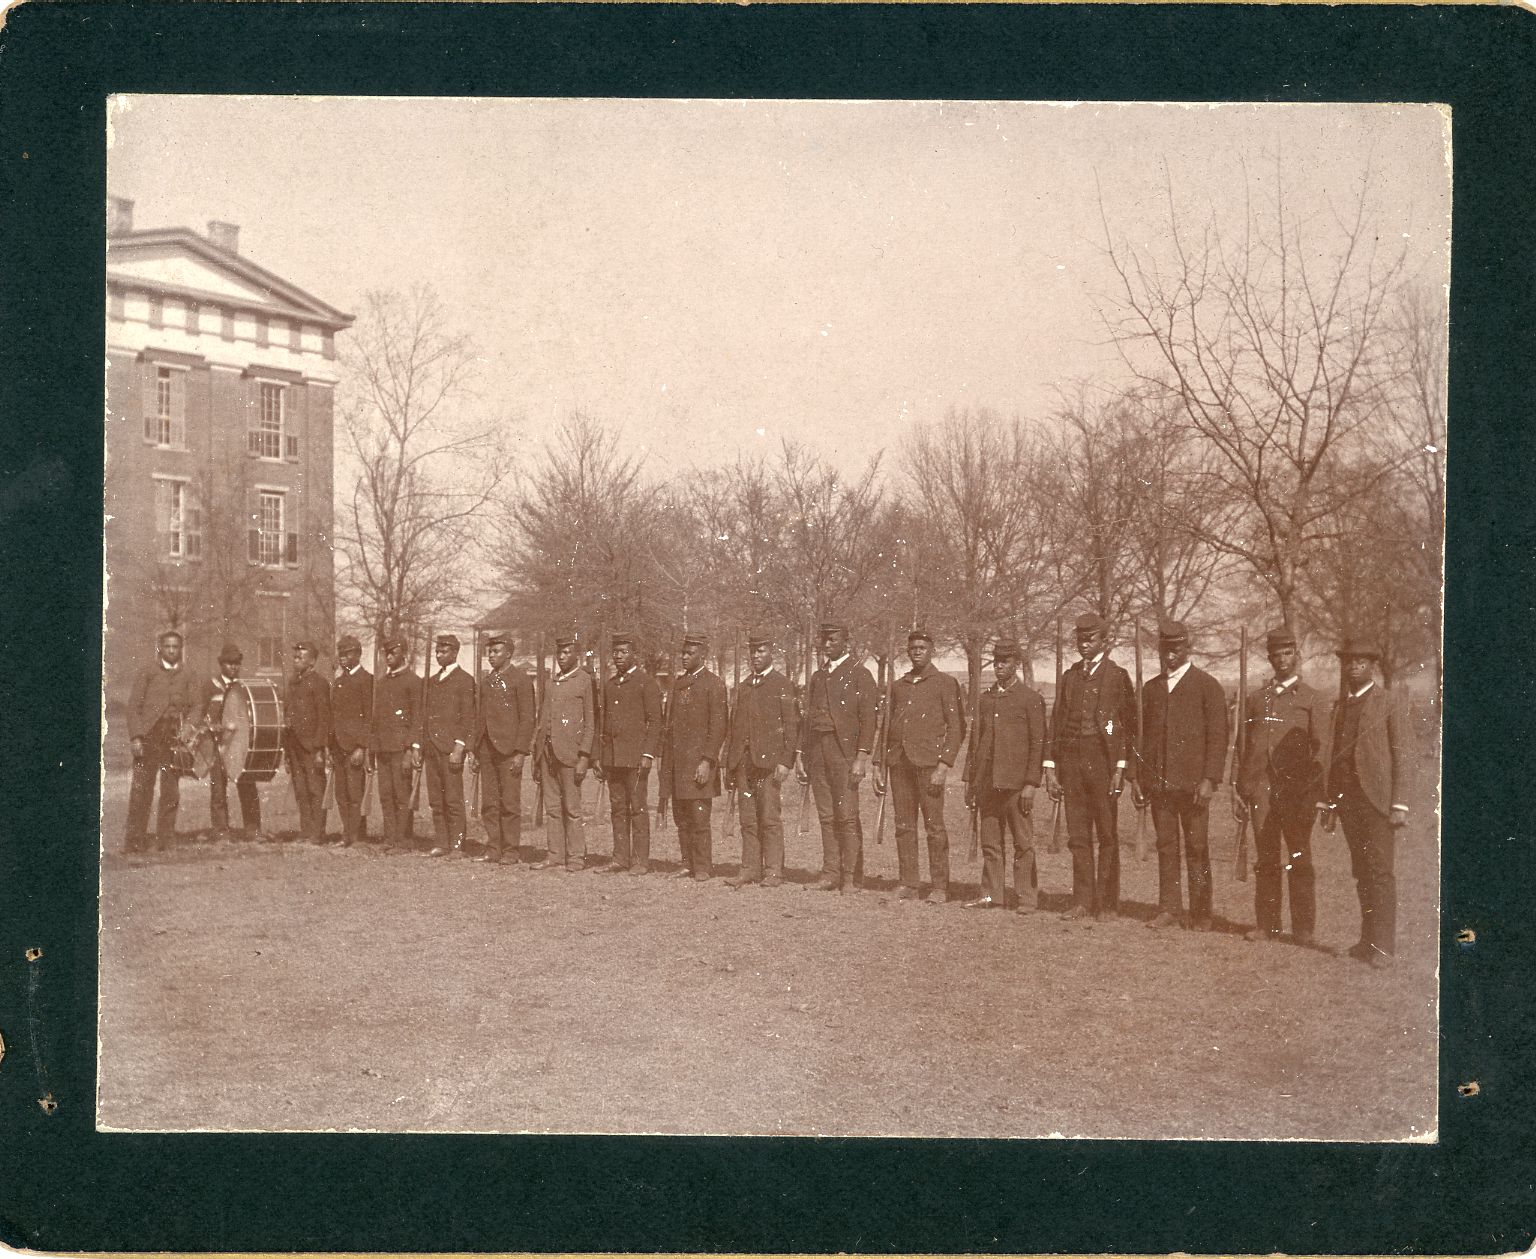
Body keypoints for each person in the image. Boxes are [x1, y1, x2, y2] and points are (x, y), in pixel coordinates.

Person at [1316, 638, 1412, 970]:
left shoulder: (1389, 702)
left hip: (1378, 803)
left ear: (1372, 665)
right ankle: (1366, 941)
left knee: (1380, 872)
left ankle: (1384, 947)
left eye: (1361, 661)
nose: (1354, 665)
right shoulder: (1340, 707)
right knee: (1361, 873)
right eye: (1349, 661)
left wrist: (1399, 803)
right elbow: (1331, 757)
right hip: (1347, 804)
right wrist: (1328, 803)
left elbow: (1404, 755)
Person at [1134, 620, 1229, 930]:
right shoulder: (1152, 688)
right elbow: (1143, 737)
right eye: (1165, 648)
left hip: (1194, 786)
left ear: (1187, 647)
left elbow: (1218, 737)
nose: (1170, 654)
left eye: (1176, 648)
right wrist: (1139, 777)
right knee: (1166, 846)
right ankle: (1169, 908)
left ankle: (1202, 913)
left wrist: (1210, 778)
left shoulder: (1207, 686)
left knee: (1197, 847)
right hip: (1160, 783)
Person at [1043, 612, 1136, 921]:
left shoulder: (1117, 676)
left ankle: (1107, 903)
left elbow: (1127, 725)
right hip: (1071, 762)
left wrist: (1120, 767)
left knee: (1107, 834)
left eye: (1091, 639)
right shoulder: (1070, 677)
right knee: (1078, 835)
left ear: (1104, 642)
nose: (1085, 644)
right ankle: (1082, 900)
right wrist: (1051, 766)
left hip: (1103, 762)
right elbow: (1056, 721)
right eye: (1081, 640)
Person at [1236, 626, 1323, 946]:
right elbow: (1243, 745)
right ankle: (1267, 924)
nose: (1282, 660)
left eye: (1288, 653)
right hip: (1261, 789)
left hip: (1297, 793)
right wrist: (1240, 784)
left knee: (1300, 857)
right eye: (1276, 654)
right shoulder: (1257, 699)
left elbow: (1320, 749)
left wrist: (1314, 793)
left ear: (1296, 656)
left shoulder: (1312, 698)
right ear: (1270, 658)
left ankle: (1303, 929)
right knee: (1266, 858)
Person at [962, 639, 1047, 912]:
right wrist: (970, 780)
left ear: (1016, 664)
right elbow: (975, 744)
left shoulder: (1030, 699)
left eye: (1006, 661)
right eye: (997, 660)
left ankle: (1027, 898)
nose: (999, 665)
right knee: (990, 842)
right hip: (987, 783)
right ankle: (992, 894)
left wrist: (1032, 783)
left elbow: (1038, 744)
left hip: (1016, 784)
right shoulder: (986, 699)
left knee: (1023, 843)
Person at [883, 628, 966, 904]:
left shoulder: (944, 683)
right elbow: (887, 726)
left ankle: (940, 885)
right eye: (913, 648)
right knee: (904, 826)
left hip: (929, 765)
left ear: (932, 651)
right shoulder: (899, 685)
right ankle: (908, 882)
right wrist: (881, 762)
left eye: (922, 648)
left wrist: (944, 765)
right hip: (900, 763)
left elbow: (956, 728)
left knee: (934, 827)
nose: (917, 652)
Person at [796, 620, 878, 894]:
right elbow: (807, 719)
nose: (827, 644)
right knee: (827, 815)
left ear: (846, 642)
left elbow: (869, 719)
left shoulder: (860, 674)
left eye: (833, 640)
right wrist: (802, 755)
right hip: (818, 753)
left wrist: (861, 757)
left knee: (847, 816)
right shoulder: (818, 677)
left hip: (844, 754)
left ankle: (851, 877)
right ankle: (830, 872)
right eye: (824, 640)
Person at [724, 628, 799, 889]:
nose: (756, 655)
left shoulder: (782, 684)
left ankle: (774, 871)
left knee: (769, 818)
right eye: (753, 651)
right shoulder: (744, 686)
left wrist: (786, 761)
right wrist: (730, 763)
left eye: (762, 651)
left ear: (771, 653)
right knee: (747, 820)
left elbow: (791, 726)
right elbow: (735, 727)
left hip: (768, 765)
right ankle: (749, 868)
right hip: (743, 764)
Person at [123, 629, 197, 853]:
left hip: (173, 739)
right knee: (141, 790)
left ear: (181, 650)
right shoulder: (147, 671)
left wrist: (188, 728)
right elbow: (133, 707)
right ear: (160, 648)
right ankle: (135, 840)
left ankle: (166, 839)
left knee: (171, 790)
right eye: (168, 647)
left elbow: (198, 706)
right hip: (149, 738)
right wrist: (136, 736)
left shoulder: (188, 674)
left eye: (176, 647)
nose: (172, 651)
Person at [662, 631, 729, 881]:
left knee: (699, 818)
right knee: (682, 819)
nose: (684, 657)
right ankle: (687, 863)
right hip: (678, 764)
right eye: (683, 653)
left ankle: (702, 866)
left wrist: (707, 761)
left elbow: (719, 727)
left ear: (703, 655)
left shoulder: (714, 684)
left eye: (690, 653)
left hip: (700, 764)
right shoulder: (678, 684)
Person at [599, 629, 663, 875]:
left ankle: (639, 861)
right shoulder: (610, 684)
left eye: (624, 652)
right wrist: (602, 757)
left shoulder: (646, 683)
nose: (619, 656)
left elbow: (655, 721)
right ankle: (620, 858)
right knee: (617, 809)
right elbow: (604, 722)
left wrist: (648, 754)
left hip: (636, 759)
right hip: (613, 759)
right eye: (615, 652)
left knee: (637, 808)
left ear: (634, 654)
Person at [533, 632, 595, 871]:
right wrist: (537, 755)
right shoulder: (550, 683)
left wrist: (584, 756)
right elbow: (542, 721)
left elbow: (590, 722)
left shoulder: (584, 681)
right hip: (548, 755)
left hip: (571, 755)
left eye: (567, 652)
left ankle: (577, 856)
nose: (562, 656)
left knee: (572, 808)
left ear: (577, 654)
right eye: (559, 652)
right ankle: (555, 854)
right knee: (553, 808)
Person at [474, 630, 535, 864]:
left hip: (509, 751)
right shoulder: (487, 681)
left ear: (508, 653)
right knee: (489, 802)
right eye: (489, 652)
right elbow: (480, 716)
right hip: (486, 750)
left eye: (496, 651)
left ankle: (510, 850)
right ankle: (493, 848)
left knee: (509, 802)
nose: (491, 656)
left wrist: (520, 752)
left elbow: (527, 718)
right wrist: (476, 748)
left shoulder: (520, 679)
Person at [423, 632, 475, 858]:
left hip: (451, 748)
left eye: (443, 651)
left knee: (453, 798)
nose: (438, 655)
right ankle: (442, 842)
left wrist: (459, 746)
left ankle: (457, 844)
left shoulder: (465, 680)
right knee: (436, 799)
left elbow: (468, 716)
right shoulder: (431, 681)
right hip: (431, 747)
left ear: (454, 653)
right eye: (437, 651)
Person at [203, 641, 262, 842]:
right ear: (221, 664)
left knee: (246, 784)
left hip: (238, 745)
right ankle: (221, 831)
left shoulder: (242, 687)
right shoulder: (211, 685)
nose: (234, 667)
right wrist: (212, 726)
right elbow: (202, 713)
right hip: (217, 744)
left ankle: (253, 829)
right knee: (218, 788)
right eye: (229, 663)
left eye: (237, 663)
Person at [372, 636, 422, 855]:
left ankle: (404, 839)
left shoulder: (413, 681)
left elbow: (417, 718)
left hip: (401, 748)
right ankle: (390, 837)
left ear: (403, 653)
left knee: (402, 795)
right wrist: (373, 748)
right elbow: (376, 719)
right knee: (386, 794)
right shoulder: (382, 683)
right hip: (383, 748)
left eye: (393, 652)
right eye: (386, 653)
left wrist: (411, 749)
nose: (388, 657)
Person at [284, 639, 332, 844]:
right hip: (294, 745)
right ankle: (305, 830)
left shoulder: (319, 683)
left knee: (315, 789)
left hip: (312, 746)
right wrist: (287, 750)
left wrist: (320, 748)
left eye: (300, 657)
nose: (296, 660)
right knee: (300, 789)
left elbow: (324, 718)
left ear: (312, 661)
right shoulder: (293, 682)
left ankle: (317, 832)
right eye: (295, 657)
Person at [330, 633, 372, 847]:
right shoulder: (339, 682)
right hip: (338, 746)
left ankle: (356, 836)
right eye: (340, 654)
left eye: (346, 654)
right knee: (341, 793)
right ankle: (347, 833)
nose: (342, 658)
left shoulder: (366, 680)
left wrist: (361, 747)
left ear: (357, 654)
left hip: (354, 747)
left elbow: (369, 717)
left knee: (355, 792)